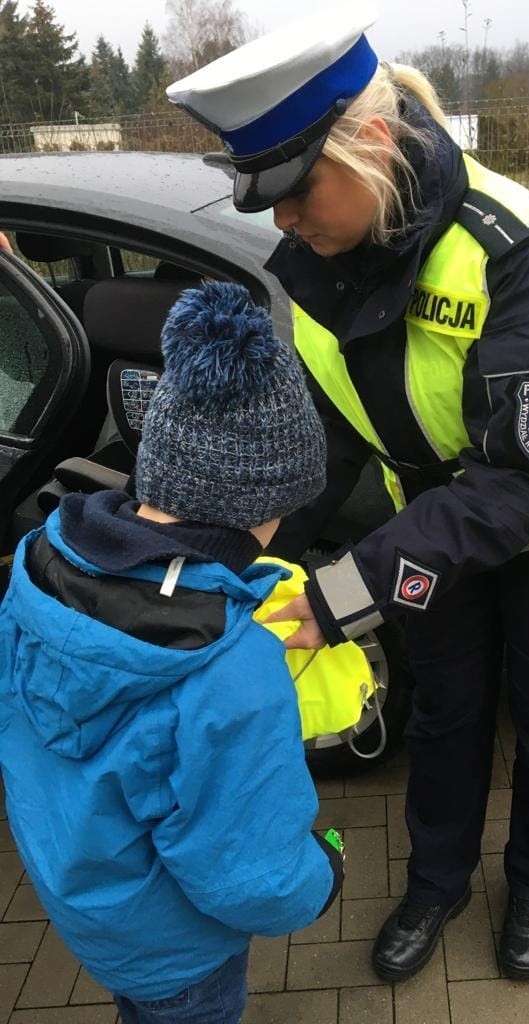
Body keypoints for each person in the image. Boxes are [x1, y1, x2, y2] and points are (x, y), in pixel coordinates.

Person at [167, 6, 529, 983]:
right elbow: (332, 434)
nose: (281, 218)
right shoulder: (321, 256)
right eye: (267, 199)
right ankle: (437, 881)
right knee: (448, 710)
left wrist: (341, 595)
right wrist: (228, 544)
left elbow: (520, 477)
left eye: (295, 189)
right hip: (447, 523)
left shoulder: (514, 254)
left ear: (369, 142)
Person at [0, 280, 343, 1023]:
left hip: (85, 899)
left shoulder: (36, 566)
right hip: (179, 950)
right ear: (263, 505)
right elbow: (243, 870)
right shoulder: (229, 671)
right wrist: (319, 874)